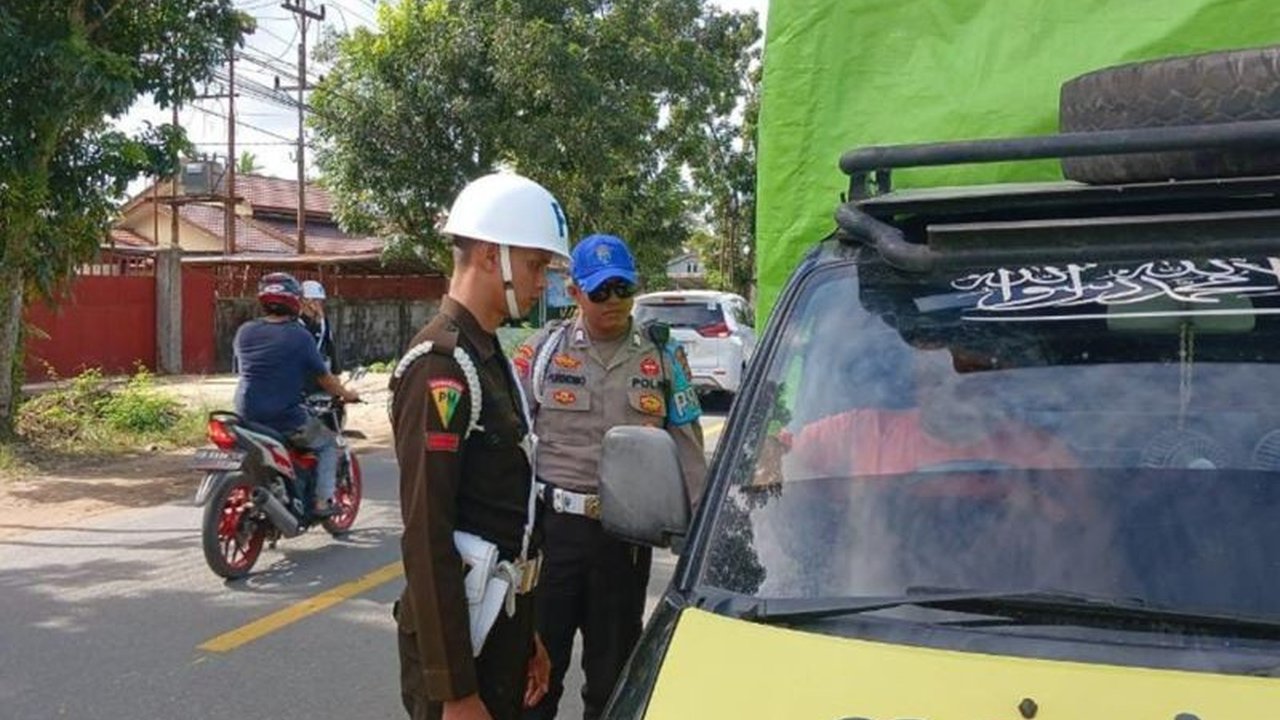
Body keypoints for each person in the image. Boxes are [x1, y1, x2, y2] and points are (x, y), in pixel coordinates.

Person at [389, 172, 569, 720]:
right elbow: (427, 535)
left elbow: (508, 520)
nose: (545, 282)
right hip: (460, 655)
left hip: (498, 628)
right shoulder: (441, 367)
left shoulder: (487, 357)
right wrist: (455, 692)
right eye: (537, 265)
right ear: (493, 255)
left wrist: (528, 633)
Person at [516, 234, 707, 720]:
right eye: (600, 291)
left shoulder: (663, 358)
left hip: (623, 540)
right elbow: (510, 442)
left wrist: (702, 534)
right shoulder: (541, 352)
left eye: (622, 288)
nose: (614, 302)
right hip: (552, 539)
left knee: (612, 682)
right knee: (535, 679)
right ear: (575, 291)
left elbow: (687, 448)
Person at [233, 272, 361, 516]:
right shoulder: (299, 336)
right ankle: (323, 502)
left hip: (244, 413)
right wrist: (346, 394)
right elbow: (325, 378)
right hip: (283, 418)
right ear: (295, 301)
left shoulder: (245, 331)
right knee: (329, 444)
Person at [299, 279, 341, 375]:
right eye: (315, 300)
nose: (319, 304)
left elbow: (329, 343)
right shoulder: (295, 322)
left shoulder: (323, 321)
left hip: (320, 372)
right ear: (304, 300)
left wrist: (335, 371)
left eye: (320, 300)